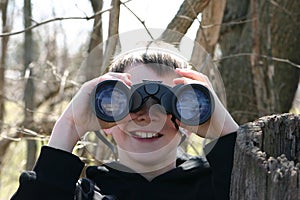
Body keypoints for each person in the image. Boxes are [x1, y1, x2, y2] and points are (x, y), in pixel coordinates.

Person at [11, 41, 239, 200]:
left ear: (190, 121)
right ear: (107, 120)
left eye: (170, 102)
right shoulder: (83, 195)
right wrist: (69, 124)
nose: (147, 116)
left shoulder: (220, 186)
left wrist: (226, 132)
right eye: (128, 101)